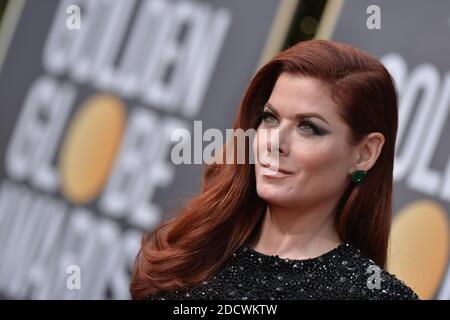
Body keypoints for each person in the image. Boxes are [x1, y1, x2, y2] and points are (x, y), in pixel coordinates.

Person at [130, 39, 419, 300]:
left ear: (364, 154)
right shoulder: (188, 253)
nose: (274, 142)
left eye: (308, 128)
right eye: (270, 118)